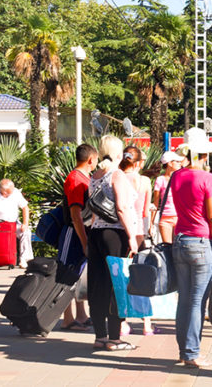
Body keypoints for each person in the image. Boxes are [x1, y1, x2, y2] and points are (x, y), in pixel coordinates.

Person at [171, 131, 212, 368]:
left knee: (184, 300)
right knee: (197, 302)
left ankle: (184, 350)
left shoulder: (176, 177)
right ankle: (192, 353)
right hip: (201, 244)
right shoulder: (207, 179)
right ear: (204, 154)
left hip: (180, 241)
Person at [88, 135, 139, 352]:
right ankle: (115, 337)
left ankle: (100, 335)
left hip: (96, 232)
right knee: (117, 285)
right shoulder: (116, 175)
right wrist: (132, 237)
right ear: (118, 153)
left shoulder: (95, 175)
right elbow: (122, 208)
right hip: (114, 234)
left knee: (98, 285)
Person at [59, 143, 97, 332]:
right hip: (73, 232)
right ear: (91, 159)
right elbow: (75, 215)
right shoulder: (76, 179)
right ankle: (67, 318)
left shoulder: (84, 178)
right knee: (67, 275)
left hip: (81, 231)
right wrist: (84, 243)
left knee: (78, 276)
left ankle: (80, 315)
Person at [123, 145, 155, 337]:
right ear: (140, 162)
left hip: (122, 230)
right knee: (142, 276)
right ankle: (147, 324)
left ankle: (122, 322)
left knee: (121, 276)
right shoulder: (144, 181)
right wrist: (147, 229)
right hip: (139, 232)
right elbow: (145, 212)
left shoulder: (117, 177)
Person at [0, 179, 30, 266]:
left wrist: (25, 224)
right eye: (10, 191)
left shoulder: (15, 192)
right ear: (3, 192)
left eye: (13, 189)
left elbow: (25, 207)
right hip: (0, 227)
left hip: (14, 224)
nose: (12, 192)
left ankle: (24, 259)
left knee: (26, 232)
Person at [152, 151, 184, 243]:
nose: (180, 163)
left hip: (180, 218)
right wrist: (151, 224)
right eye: (177, 161)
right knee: (168, 248)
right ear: (170, 163)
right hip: (165, 219)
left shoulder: (181, 178)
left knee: (179, 247)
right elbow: (156, 203)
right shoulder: (160, 180)